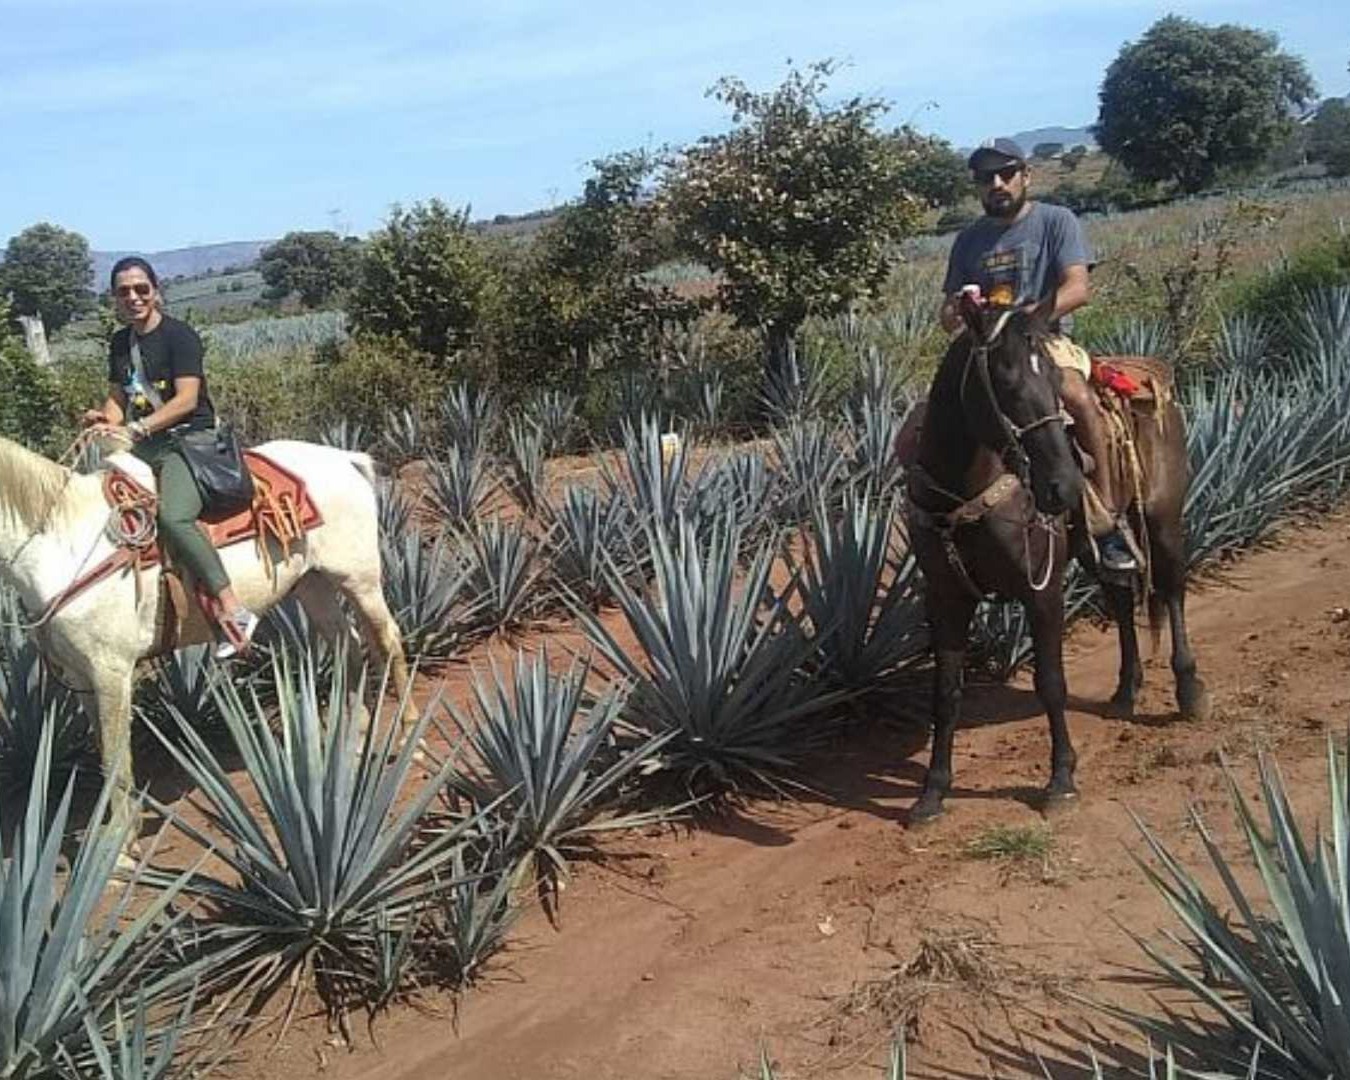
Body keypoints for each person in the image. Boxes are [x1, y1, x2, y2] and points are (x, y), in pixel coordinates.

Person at [938, 138, 1136, 573]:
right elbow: (947, 314)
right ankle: (941, 526)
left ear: (1026, 176)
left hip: (1043, 343)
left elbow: (1077, 288)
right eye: (986, 178)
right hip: (986, 354)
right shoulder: (967, 241)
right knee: (929, 426)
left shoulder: (1055, 221)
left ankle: (1106, 525)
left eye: (1006, 174)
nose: (997, 183)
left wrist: (1029, 317)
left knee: (1080, 402)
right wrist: (961, 310)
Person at [83, 256, 259, 657]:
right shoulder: (120, 343)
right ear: (114, 297)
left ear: (155, 291)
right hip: (146, 441)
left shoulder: (180, 337)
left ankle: (232, 608)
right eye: (124, 291)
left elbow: (186, 401)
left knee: (173, 516)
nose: (133, 297)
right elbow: (118, 399)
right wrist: (103, 419)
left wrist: (135, 428)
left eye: (141, 289)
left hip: (188, 439)